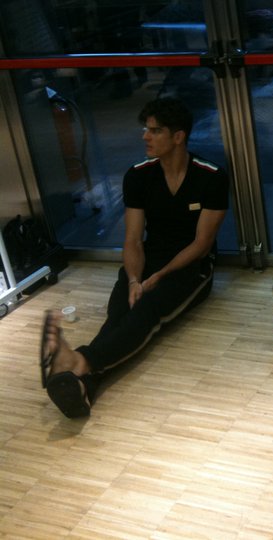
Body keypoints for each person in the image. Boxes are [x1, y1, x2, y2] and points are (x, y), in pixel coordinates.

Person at [39, 97, 229, 418]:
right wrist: (133, 280)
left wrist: (158, 277)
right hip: (148, 258)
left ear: (178, 136)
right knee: (120, 313)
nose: (145, 136)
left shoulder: (211, 176)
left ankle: (81, 361)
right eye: (145, 129)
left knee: (147, 312)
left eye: (155, 131)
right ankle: (83, 382)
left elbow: (202, 243)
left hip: (191, 267)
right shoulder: (138, 176)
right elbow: (133, 240)